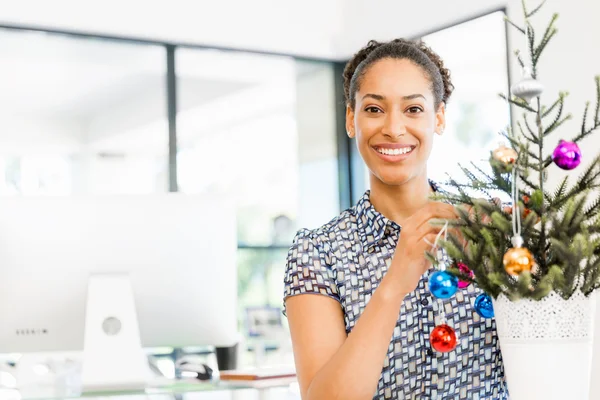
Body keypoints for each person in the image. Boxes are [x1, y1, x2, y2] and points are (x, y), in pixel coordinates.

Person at [283, 38, 507, 400]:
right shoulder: (317, 253)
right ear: (351, 120)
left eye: (413, 109)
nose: (393, 128)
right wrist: (394, 283)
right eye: (374, 109)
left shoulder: (485, 230)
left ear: (439, 118)